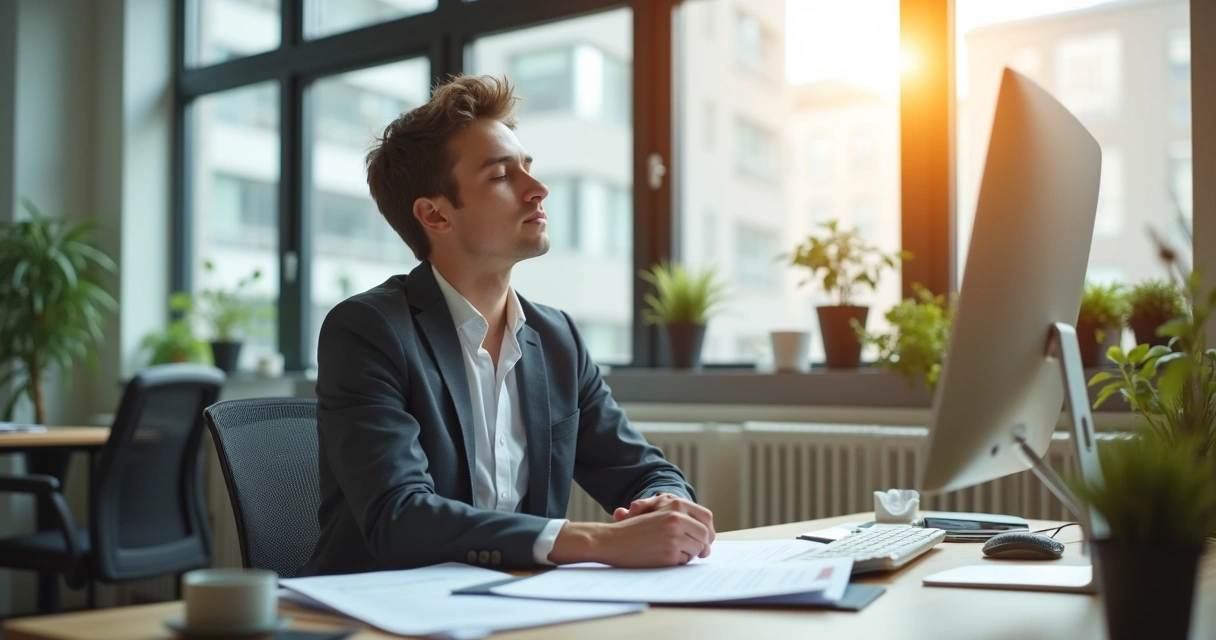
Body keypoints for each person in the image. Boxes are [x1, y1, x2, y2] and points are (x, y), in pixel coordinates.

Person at [302, 75, 715, 576]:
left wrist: (664, 506)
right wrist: (598, 541)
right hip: (378, 610)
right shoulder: (368, 330)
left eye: (528, 169)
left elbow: (643, 468)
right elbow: (399, 516)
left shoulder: (557, 337)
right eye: (501, 176)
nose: (538, 189)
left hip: (517, 606)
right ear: (435, 214)